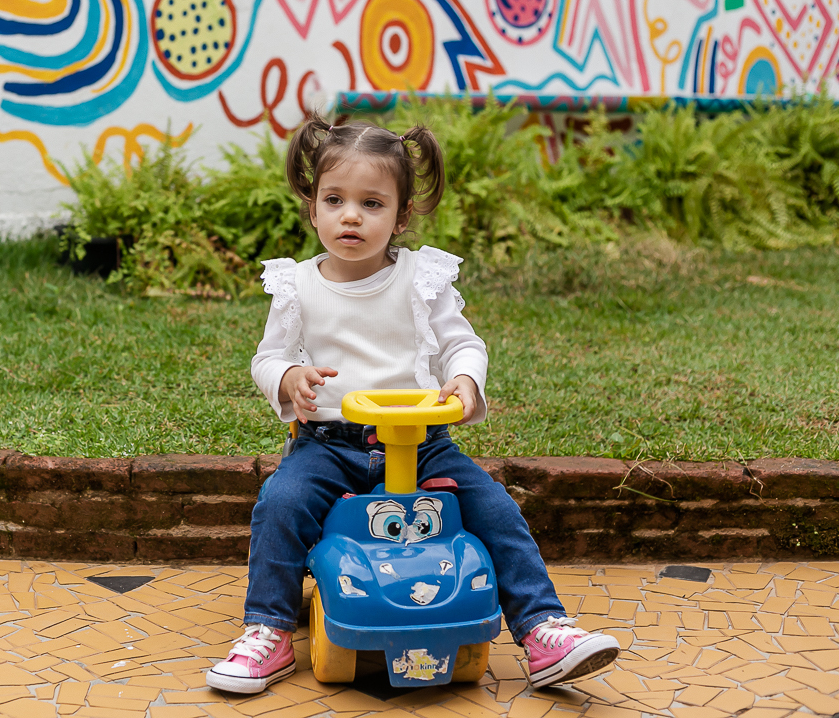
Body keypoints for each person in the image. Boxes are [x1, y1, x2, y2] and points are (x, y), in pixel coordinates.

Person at [205, 117, 620, 695]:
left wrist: (464, 379)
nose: (351, 216)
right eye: (335, 200)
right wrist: (289, 377)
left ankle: (543, 628)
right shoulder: (298, 285)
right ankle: (268, 630)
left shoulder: (422, 279)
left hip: (423, 445)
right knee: (281, 502)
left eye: (371, 203)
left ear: (400, 217)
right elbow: (267, 357)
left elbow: (462, 344)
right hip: (329, 445)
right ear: (313, 209)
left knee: (494, 508)